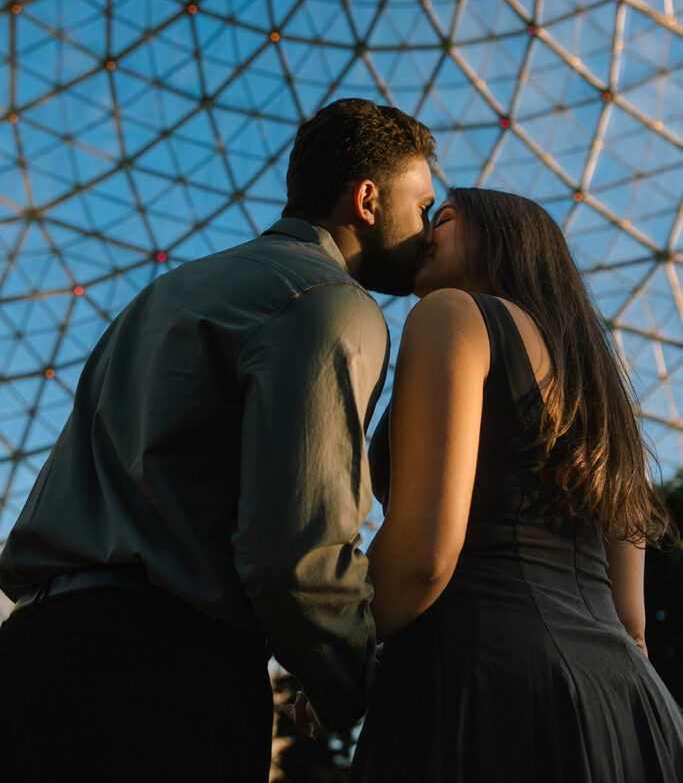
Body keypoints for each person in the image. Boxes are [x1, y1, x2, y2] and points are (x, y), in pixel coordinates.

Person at [0, 97, 436, 782]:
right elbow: (293, 549)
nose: (428, 231)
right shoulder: (328, 302)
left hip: (33, 651)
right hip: (155, 681)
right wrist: (354, 684)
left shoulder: (173, 292)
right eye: (422, 207)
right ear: (368, 199)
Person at [341, 186, 682, 782]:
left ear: (503, 237)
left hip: (484, 689)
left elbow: (424, 555)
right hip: (629, 707)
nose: (424, 234)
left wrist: (331, 654)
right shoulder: (601, 388)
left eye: (442, 219)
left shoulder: (454, 314)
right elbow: (632, 620)